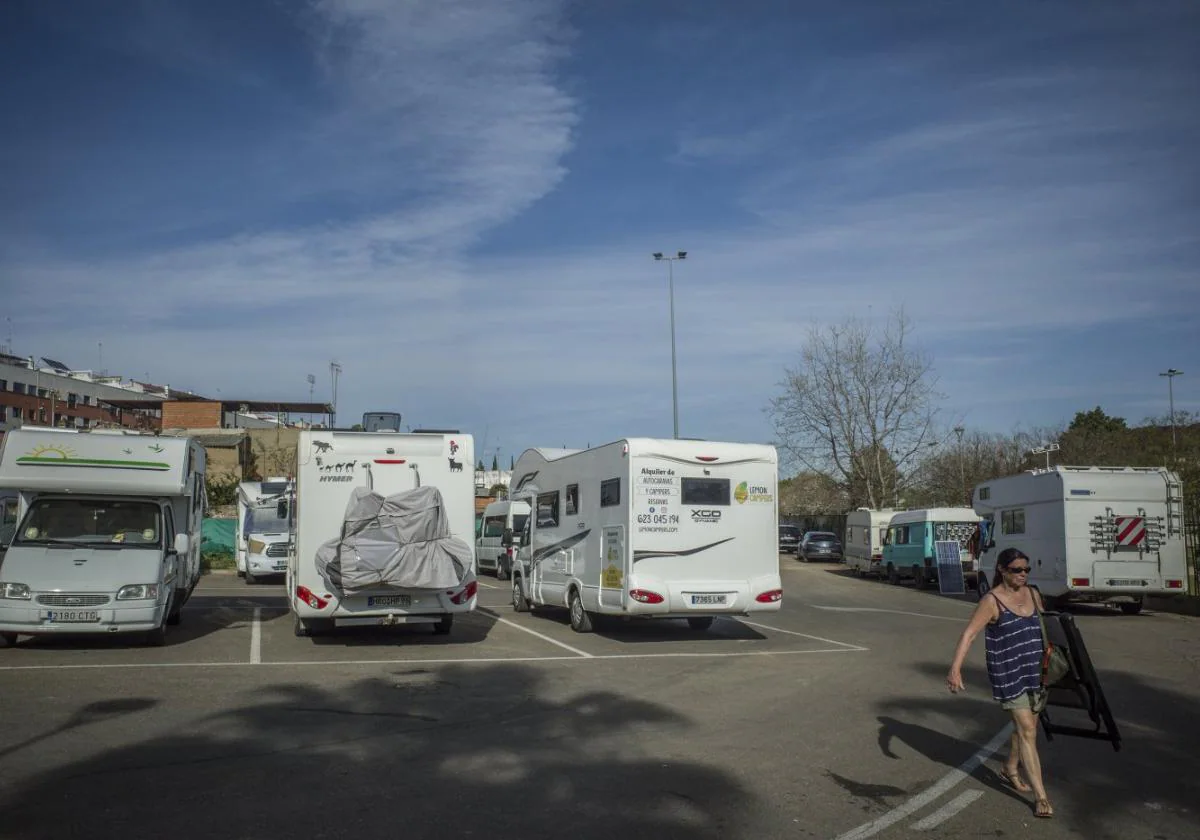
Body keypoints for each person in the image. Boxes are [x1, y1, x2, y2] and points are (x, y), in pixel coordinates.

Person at [946, 547, 1053, 819]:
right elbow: (969, 634)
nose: (1023, 575)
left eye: (1026, 570)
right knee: (1027, 729)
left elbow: (1046, 628)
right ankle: (1042, 797)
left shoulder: (1033, 594)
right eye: (1017, 570)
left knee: (1027, 727)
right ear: (1003, 570)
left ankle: (1010, 768)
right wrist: (955, 669)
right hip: (1008, 672)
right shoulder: (992, 600)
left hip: (1036, 671)